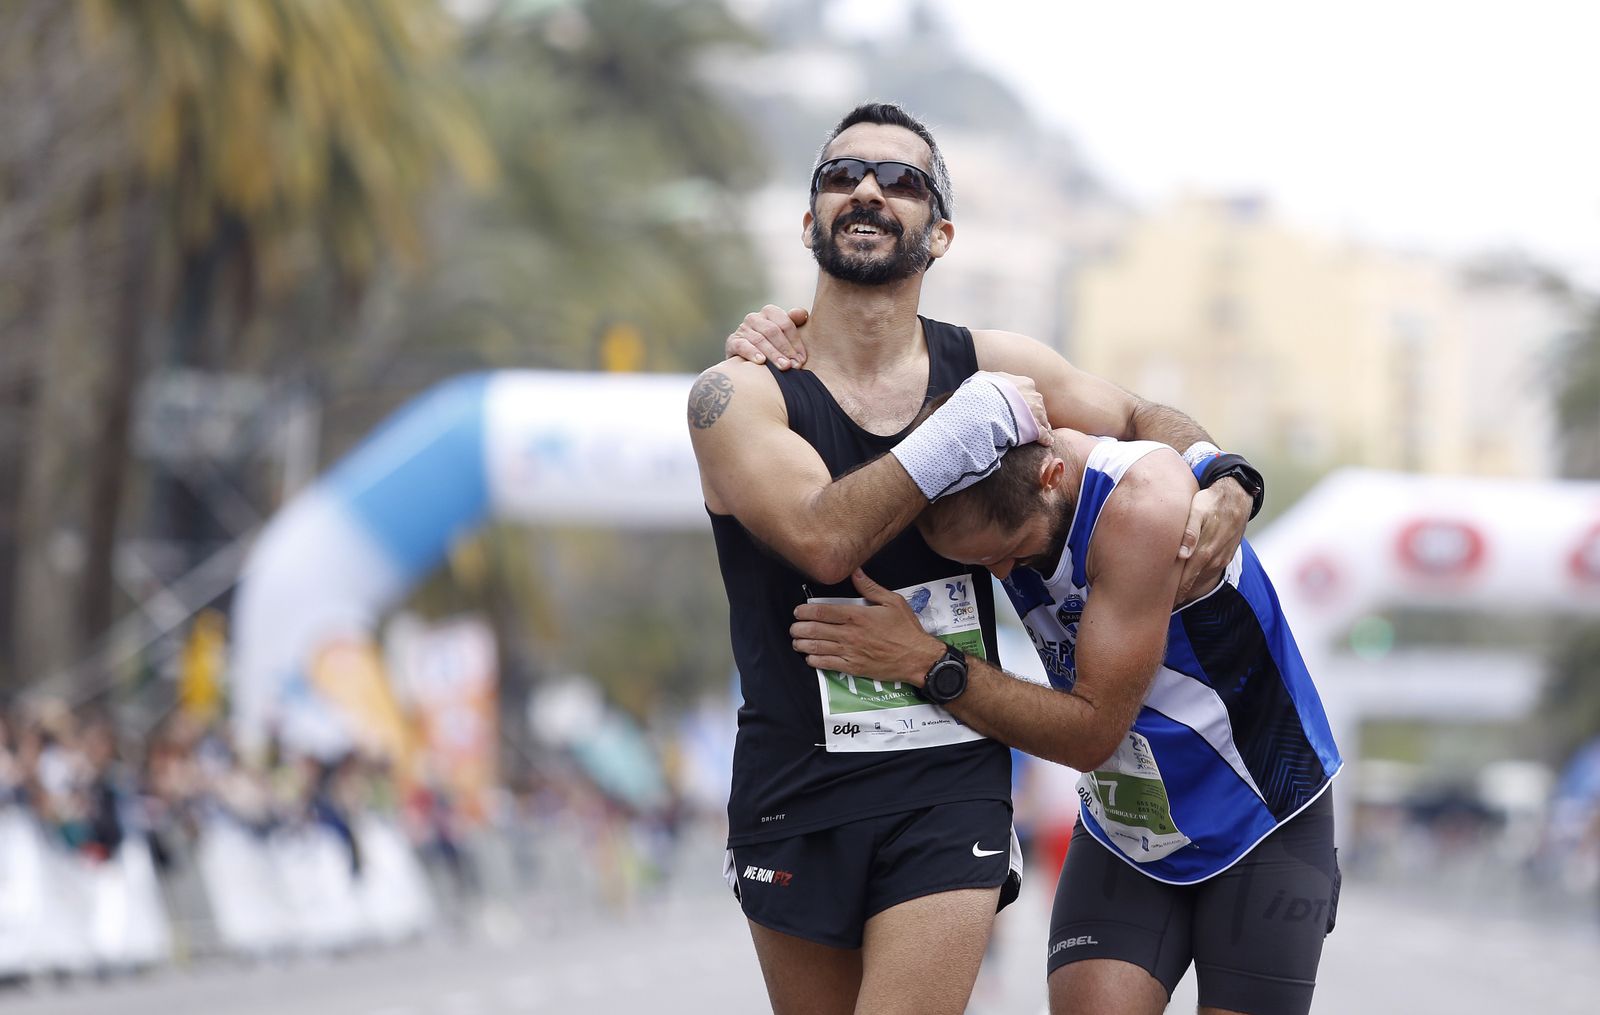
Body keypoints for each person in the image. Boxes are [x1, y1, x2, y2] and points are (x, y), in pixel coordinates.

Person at [689, 100, 1260, 1015]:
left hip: (948, 778)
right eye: (842, 175)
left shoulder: (994, 364)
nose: (869, 189)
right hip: (795, 781)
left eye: (902, 180)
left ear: (941, 232)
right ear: (809, 221)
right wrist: (958, 430)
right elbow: (824, 538)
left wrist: (1224, 474)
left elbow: (1146, 417)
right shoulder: (736, 395)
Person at [787, 419, 1343, 1015]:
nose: (1003, 574)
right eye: (981, 563)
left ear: (1051, 476)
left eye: (1009, 552)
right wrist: (782, 332)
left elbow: (1091, 734)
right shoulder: (1000, 411)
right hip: (1129, 831)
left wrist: (927, 662)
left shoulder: (1142, 510)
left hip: (1262, 818)